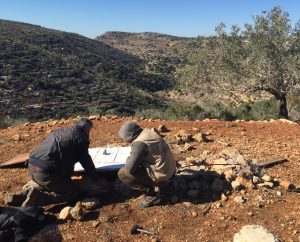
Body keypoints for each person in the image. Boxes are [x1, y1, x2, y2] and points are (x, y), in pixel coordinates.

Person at [6, 118, 110, 207]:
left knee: (47, 185)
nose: (89, 133)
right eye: (89, 130)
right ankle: (41, 199)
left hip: (32, 167)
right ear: (83, 127)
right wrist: (96, 179)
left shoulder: (59, 131)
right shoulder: (80, 138)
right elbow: (86, 161)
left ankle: (19, 196)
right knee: (74, 191)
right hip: (47, 172)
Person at [118, 121, 176, 208]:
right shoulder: (149, 133)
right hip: (171, 171)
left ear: (129, 136)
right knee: (139, 163)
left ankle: (151, 194)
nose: (125, 140)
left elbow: (130, 168)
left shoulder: (139, 143)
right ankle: (165, 185)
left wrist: (129, 158)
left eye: (124, 138)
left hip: (164, 176)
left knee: (122, 173)